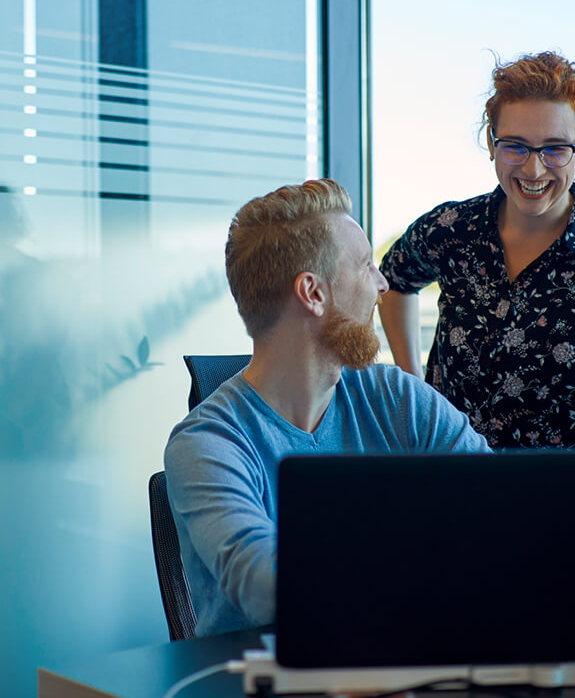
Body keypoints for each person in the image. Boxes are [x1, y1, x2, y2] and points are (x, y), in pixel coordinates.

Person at [377, 52, 575, 557]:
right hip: (449, 508)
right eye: (514, 146)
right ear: (490, 143)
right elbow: (392, 280)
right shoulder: (453, 230)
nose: (533, 168)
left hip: (571, 529)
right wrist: (413, 385)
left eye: (555, 149)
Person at [164, 179, 490, 638]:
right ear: (312, 293)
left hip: (407, 656)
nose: (382, 284)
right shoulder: (206, 445)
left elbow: (500, 512)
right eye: (364, 266)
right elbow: (269, 591)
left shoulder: (396, 398)